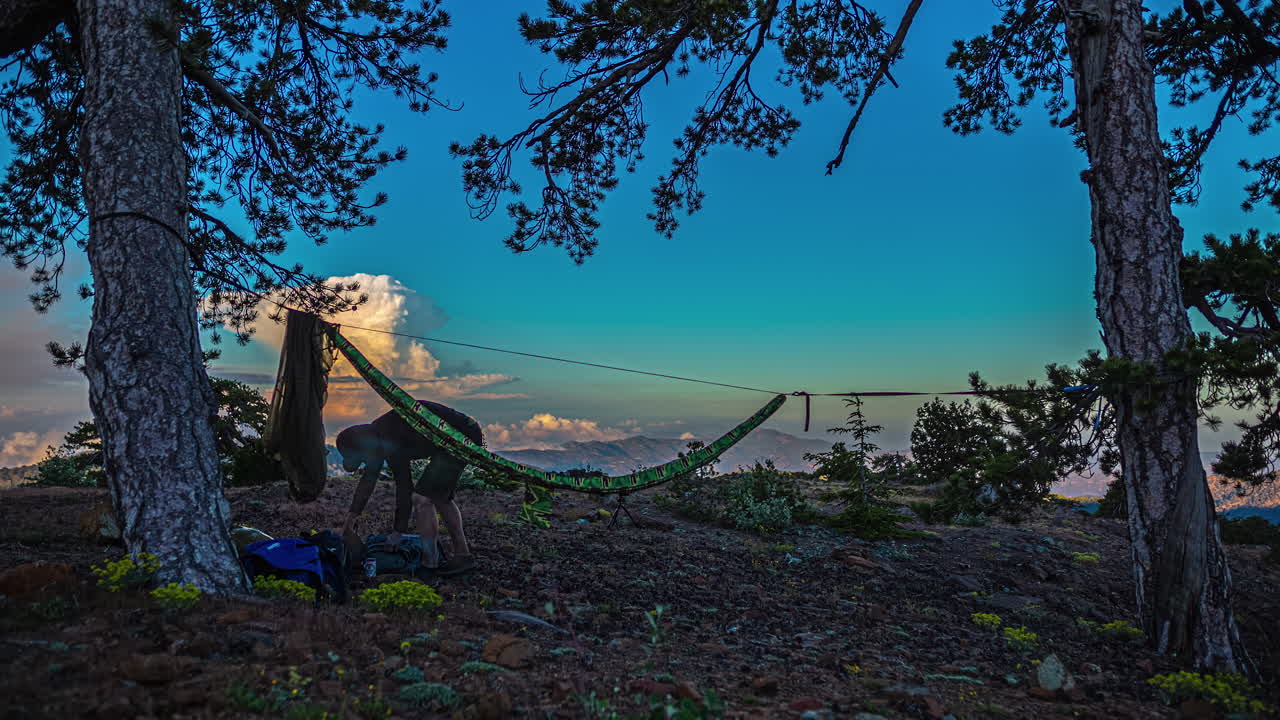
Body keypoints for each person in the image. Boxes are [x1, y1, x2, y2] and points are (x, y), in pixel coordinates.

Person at [336, 400, 484, 577]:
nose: (365, 461)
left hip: (459, 436)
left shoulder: (389, 437)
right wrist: (350, 520)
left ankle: (430, 564)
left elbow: (404, 486)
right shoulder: (376, 438)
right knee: (440, 497)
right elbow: (368, 480)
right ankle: (462, 556)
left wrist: (398, 532)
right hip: (459, 435)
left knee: (421, 499)